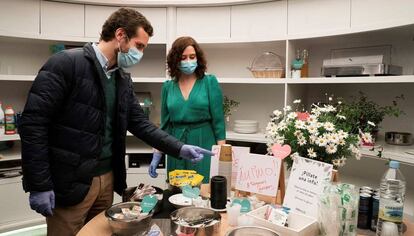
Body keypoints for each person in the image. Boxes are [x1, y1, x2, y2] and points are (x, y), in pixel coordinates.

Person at [19, 8, 212, 236]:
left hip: (107, 179)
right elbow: (33, 124)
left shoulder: (121, 77)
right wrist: (39, 185)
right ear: (120, 35)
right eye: (139, 46)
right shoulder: (66, 64)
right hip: (71, 180)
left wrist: (178, 148)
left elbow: (140, 123)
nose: (140, 53)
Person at [148, 36, 226, 183]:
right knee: (177, 192)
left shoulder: (209, 82)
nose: (188, 61)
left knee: (202, 190)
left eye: (192, 56)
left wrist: (222, 155)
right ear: (175, 60)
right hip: (176, 145)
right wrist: (157, 153)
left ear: (198, 58)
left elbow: (219, 122)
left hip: (203, 143)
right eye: (183, 57)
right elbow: (164, 125)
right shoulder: (168, 87)